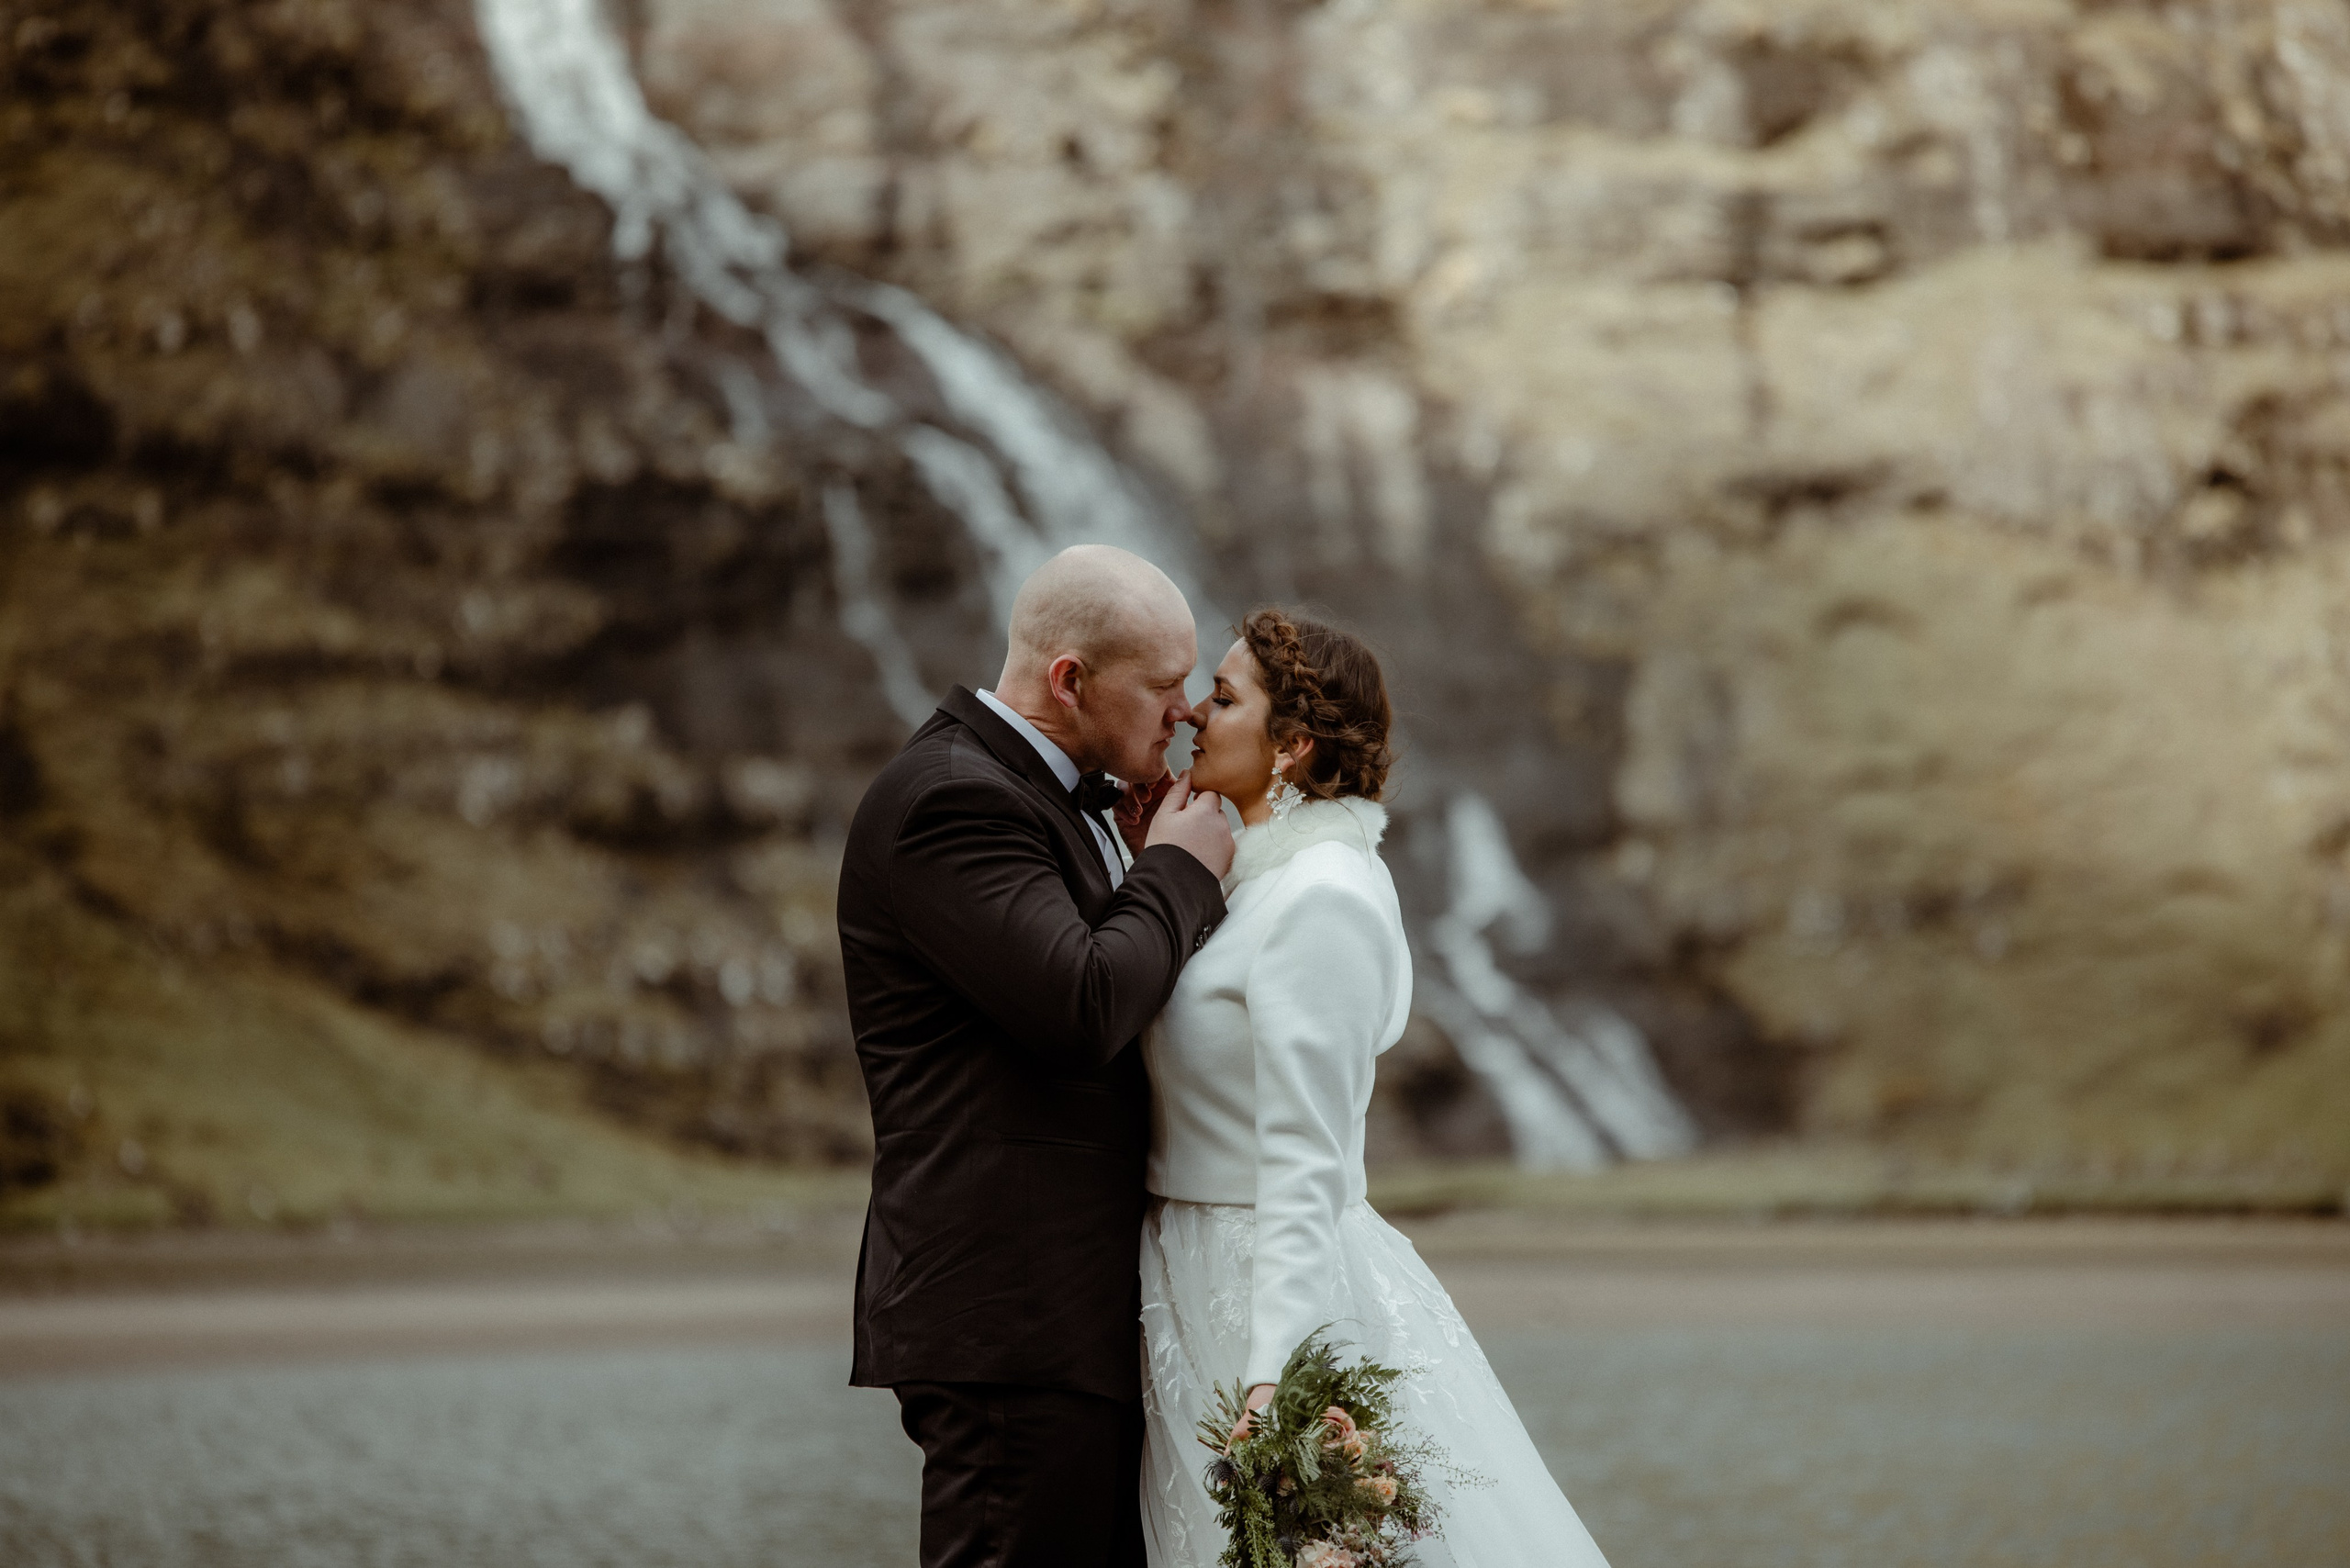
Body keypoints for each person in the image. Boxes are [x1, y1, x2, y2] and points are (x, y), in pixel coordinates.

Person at [1137, 609, 1614, 1567]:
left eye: (1223, 698)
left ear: (1293, 743)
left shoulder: (1323, 896)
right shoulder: (1253, 877)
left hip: (1265, 1289)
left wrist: (1275, 1382)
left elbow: (1309, 1161)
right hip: (1184, 1277)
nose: (1193, 712)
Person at [838, 544, 1237, 1568]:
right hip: (1010, 1318)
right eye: (1162, 684)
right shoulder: (950, 801)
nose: (1187, 710)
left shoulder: (1065, 794)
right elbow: (1083, 1002)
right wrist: (1180, 872)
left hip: (1068, 1322)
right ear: (1069, 680)